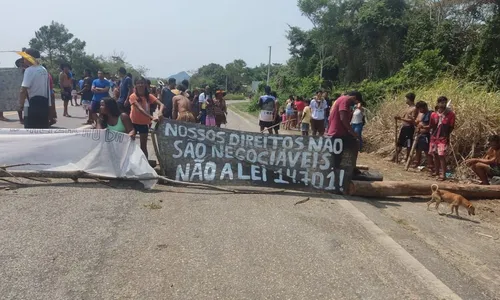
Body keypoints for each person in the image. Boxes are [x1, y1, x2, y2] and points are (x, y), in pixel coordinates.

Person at [326, 91, 363, 176]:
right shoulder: (345, 100)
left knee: (352, 145)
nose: (355, 103)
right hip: (337, 132)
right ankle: (337, 174)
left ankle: (349, 168)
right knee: (337, 156)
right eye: (356, 101)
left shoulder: (342, 99)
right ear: (354, 97)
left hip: (340, 131)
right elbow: (343, 118)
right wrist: (352, 132)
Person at [129, 76, 165, 158]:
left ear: (145, 84)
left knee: (143, 146)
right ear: (135, 85)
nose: (140, 85)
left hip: (144, 123)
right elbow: (140, 109)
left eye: (142, 83)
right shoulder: (133, 96)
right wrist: (152, 117)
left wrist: (160, 112)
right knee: (130, 144)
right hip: (133, 122)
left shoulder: (149, 96)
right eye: (138, 83)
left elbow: (162, 104)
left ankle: (145, 164)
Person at [18, 48, 52, 129]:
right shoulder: (44, 70)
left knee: (30, 130)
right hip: (44, 105)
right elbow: (48, 90)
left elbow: (23, 90)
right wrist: (50, 107)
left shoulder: (29, 70)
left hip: (31, 106)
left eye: (25, 56)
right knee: (42, 130)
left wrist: (20, 105)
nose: (23, 59)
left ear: (30, 58)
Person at [429, 97, 456, 181]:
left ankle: (443, 174)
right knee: (435, 154)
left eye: (444, 102)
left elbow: (451, 127)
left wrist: (445, 135)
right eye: (441, 102)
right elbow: (432, 125)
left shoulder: (450, 114)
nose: (442, 104)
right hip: (434, 137)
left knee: (441, 155)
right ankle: (436, 171)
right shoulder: (434, 114)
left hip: (443, 138)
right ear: (438, 103)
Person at [393, 92, 418, 162]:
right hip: (404, 127)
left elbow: (411, 120)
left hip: (409, 128)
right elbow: (403, 117)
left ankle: (408, 159)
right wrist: (398, 118)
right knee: (399, 143)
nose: (405, 100)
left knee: (408, 144)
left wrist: (400, 118)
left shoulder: (414, 108)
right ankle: (395, 157)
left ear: (409, 99)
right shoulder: (407, 108)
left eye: (406, 99)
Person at [413, 101, 433, 169]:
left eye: (420, 109)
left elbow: (429, 126)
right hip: (420, 134)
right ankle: (416, 162)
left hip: (425, 135)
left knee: (426, 151)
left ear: (424, 107)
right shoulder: (424, 114)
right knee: (418, 149)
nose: (419, 110)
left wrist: (422, 127)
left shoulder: (430, 114)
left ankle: (430, 165)